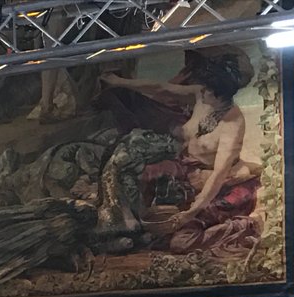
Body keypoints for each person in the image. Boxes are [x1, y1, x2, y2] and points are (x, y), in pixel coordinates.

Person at [100, 47, 262, 257]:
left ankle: (239, 228)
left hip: (207, 181)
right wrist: (119, 82)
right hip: (182, 166)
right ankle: (123, 227)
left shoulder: (233, 124)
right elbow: (161, 88)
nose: (200, 93)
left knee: (180, 241)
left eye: (206, 91)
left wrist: (191, 212)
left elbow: (218, 175)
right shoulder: (202, 95)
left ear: (220, 95)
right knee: (127, 165)